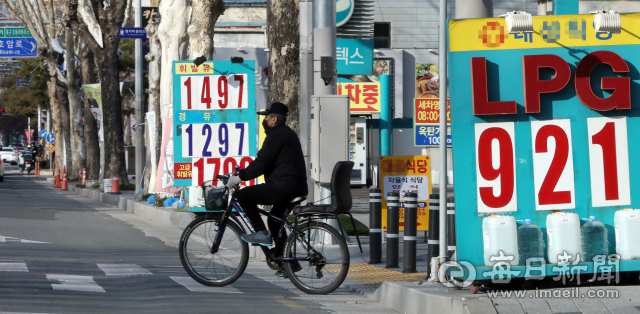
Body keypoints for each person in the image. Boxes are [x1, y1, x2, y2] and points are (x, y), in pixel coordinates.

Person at [226, 102, 308, 276]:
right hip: (294, 186)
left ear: (274, 119)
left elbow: (261, 163)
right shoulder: (286, 134)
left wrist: (239, 177)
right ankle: (288, 263)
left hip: (284, 186)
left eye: (266, 117)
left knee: (243, 196)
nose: (264, 120)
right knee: (274, 220)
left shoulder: (276, 135)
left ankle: (262, 234)